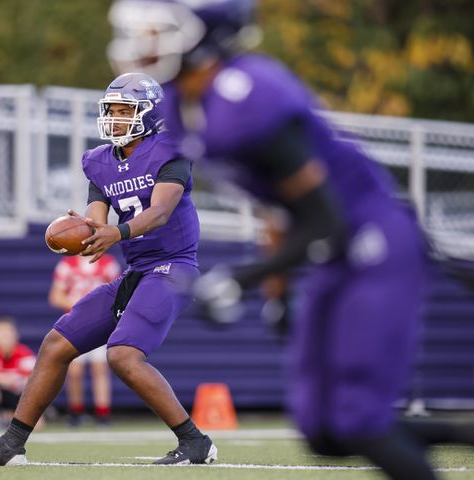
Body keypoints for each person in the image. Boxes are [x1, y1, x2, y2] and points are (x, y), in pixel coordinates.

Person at [107, 1, 474, 479]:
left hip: (373, 239)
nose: (147, 42)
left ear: (207, 37)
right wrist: (276, 294)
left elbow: (325, 216)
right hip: (337, 248)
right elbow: (276, 205)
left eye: (162, 31)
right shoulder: (182, 105)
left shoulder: (247, 93)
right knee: (323, 430)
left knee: (359, 422)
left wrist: (243, 279)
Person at [0, 72, 218, 466]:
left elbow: (160, 211)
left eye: (125, 110)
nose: (115, 117)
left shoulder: (170, 150)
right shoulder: (99, 162)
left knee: (124, 355)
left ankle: (195, 442)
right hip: (137, 271)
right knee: (56, 344)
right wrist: (87, 234)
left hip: (172, 268)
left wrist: (118, 231)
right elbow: (98, 216)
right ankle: (10, 445)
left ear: (148, 114)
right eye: (110, 109)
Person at [48, 254, 121, 427]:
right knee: (74, 371)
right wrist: (80, 305)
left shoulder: (108, 263)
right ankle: (76, 412)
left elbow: (119, 293)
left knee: (100, 368)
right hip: (75, 323)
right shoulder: (67, 265)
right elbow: (55, 296)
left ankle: (103, 414)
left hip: (100, 322)